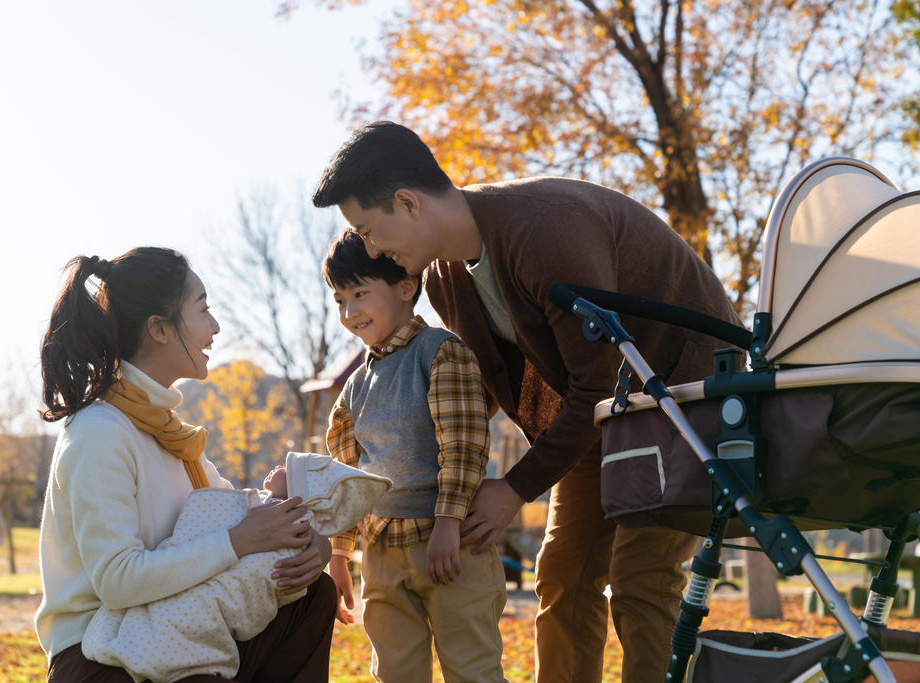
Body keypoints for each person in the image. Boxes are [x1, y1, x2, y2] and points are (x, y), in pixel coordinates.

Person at [311, 122, 742, 683]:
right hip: (601, 417)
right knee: (564, 572)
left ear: (406, 203)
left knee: (640, 578)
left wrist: (513, 489)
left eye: (368, 230)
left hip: (686, 400)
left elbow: (595, 377)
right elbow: (483, 388)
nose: (371, 250)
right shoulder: (443, 276)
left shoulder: (546, 231)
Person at [36, 247, 336, 683]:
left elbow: (239, 518)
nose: (214, 328)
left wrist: (310, 547)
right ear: (159, 329)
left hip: (176, 626)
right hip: (99, 655)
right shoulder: (99, 432)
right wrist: (237, 541)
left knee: (311, 595)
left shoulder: (172, 435)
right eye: (203, 310)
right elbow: (117, 582)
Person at [321, 230, 508, 683]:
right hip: (382, 551)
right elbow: (346, 474)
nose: (349, 312)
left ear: (406, 288)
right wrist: (341, 553)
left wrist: (448, 522)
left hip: (448, 543)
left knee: (471, 668)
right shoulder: (355, 386)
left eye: (360, 294)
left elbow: (462, 443)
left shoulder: (440, 352)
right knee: (395, 671)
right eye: (340, 300)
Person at [81, 451, 392, 683]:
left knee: (318, 589)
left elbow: (227, 509)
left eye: (288, 469)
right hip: (104, 630)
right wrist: (239, 539)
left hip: (196, 604)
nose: (277, 466)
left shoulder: (182, 441)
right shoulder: (103, 432)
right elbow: (228, 521)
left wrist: (318, 543)